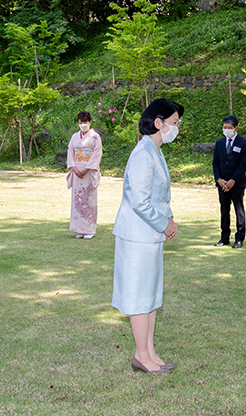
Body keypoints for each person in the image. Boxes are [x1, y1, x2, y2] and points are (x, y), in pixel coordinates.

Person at [112, 98, 183, 375]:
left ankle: (150, 352)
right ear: (158, 123)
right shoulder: (142, 153)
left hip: (150, 236)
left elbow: (160, 194)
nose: (177, 128)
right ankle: (141, 355)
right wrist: (163, 224)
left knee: (151, 295)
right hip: (137, 236)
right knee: (140, 296)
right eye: (174, 123)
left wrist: (170, 217)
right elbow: (140, 201)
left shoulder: (155, 151)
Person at [212, 115, 246, 249]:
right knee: (224, 210)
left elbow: (244, 164)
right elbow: (215, 163)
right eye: (224, 127)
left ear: (236, 128)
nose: (227, 130)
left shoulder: (243, 143)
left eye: (229, 128)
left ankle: (239, 238)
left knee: (239, 210)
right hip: (222, 184)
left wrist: (233, 180)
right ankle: (224, 238)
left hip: (237, 184)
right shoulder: (219, 143)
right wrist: (219, 179)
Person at [66, 111, 102, 239]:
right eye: (81, 123)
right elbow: (70, 152)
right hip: (77, 171)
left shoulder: (95, 137)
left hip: (88, 170)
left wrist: (87, 169)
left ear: (90, 122)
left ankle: (89, 229)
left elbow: (97, 154)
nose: (83, 125)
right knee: (78, 199)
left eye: (85, 122)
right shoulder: (75, 136)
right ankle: (79, 229)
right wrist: (74, 168)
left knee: (88, 198)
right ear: (78, 123)